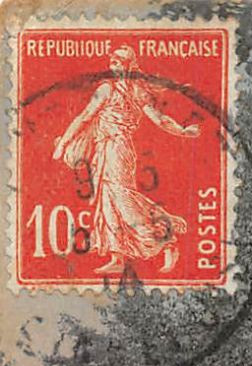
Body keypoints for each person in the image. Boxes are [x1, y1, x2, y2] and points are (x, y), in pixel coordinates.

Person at [50, 45, 201, 274]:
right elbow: (84, 117)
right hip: (103, 148)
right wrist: (63, 143)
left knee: (123, 201)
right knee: (107, 202)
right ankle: (117, 257)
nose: (114, 62)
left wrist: (182, 131)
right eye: (113, 59)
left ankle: (168, 241)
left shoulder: (136, 90)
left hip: (119, 149)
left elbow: (158, 119)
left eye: (119, 59)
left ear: (129, 64)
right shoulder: (106, 89)